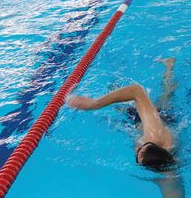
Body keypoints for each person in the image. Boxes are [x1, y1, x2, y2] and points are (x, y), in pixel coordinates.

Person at [68, 58, 184, 197]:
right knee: (166, 96)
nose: (136, 148)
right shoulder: (154, 135)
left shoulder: (170, 173)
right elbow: (136, 91)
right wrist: (95, 104)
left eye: (138, 152)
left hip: (156, 128)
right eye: (140, 148)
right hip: (158, 121)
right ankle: (169, 66)